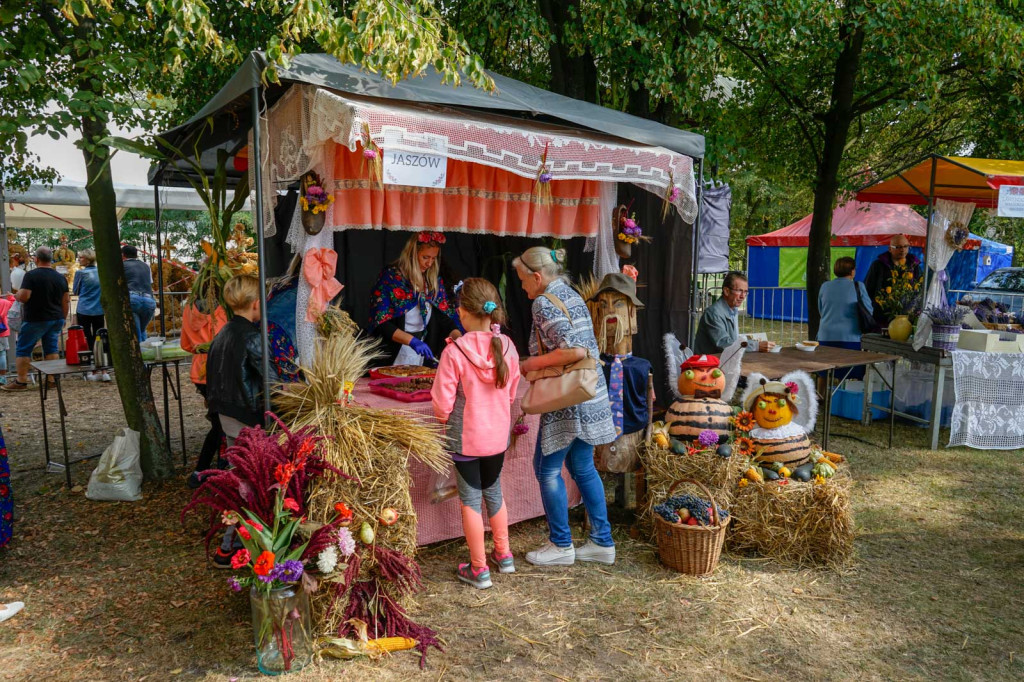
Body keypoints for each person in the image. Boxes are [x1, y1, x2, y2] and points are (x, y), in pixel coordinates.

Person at [513, 246, 617, 567]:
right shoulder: (569, 293)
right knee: (582, 466)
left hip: (569, 399)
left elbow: (572, 349)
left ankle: (560, 544)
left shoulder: (544, 302)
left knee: (546, 470)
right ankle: (602, 541)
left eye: (522, 280)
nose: (522, 287)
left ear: (537, 276)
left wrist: (531, 364)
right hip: (589, 391)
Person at [431, 278, 521, 589]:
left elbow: (442, 403)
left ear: (464, 313)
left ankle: (479, 569)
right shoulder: (507, 346)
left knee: (470, 500)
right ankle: (504, 555)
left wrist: (442, 420)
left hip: (465, 438)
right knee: (494, 493)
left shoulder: (454, 351)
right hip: (497, 437)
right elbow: (510, 394)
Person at [205, 275, 264, 569]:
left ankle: (237, 544)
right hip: (246, 417)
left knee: (238, 476)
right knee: (247, 481)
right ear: (256, 304)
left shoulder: (223, 332)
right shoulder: (252, 337)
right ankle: (230, 547)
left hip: (226, 415)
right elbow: (271, 378)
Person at [368, 232, 461, 366]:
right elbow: (381, 321)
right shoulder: (392, 277)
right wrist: (412, 341)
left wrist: (458, 338)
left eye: (434, 258)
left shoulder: (432, 281)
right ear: (412, 254)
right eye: (425, 257)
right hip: (392, 352)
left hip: (422, 354)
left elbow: (444, 318)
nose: (429, 263)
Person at [3, 247, 68, 392]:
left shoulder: (31, 275)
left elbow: (25, 296)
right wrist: (62, 318)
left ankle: (21, 381)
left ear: (36, 259)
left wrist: (16, 295)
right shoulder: (60, 277)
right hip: (56, 317)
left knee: (23, 349)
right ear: (51, 259)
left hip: (36, 318)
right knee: (51, 348)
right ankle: (51, 380)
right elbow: (66, 300)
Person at [180, 299, 228, 489]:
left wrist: (200, 346)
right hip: (221, 371)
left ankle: (210, 469)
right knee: (220, 424)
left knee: (219, 422)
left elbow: (186, 344)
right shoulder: (226, 308)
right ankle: (203, 471)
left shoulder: (189, 308)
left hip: (200, 372)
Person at [818, 257, 874, 380]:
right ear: (852, 271)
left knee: (825, 373)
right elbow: (869, 309)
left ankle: (823, 398)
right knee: (850, 374)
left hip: (825, 336)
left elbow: (821, 310)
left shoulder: (825, 286)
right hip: (850, 337)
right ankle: (844, 397)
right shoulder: (858, 286)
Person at [693, 272, 774, 355]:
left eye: (745, 292)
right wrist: (755, 346)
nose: (743, 296)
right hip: (707, 365)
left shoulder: (733, 309)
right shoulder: (713, 313)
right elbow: (724, 344)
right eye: (739, 291)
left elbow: (733, 340)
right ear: (726, 291)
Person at [864, 234, 923, 327]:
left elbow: (920, 290)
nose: (902, 250)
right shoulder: (878, 265)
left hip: (907, 317)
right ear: (890, 249)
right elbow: (868, 289)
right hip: (882, 318)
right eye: (898, 247)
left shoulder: (914, 266)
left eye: (905, 246)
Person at [72, 249, 108, 382]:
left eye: (81, 257)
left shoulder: (80, 273)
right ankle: (103, 369)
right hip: (99, 309)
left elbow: (75, 291)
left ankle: (91, 369)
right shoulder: (102, 272)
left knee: (87, 338)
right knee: (100, 337)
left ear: (87, 259)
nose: (79, 259)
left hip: (84, 309)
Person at [121, 244, 156, 342]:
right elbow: (150, 283)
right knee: (141, 330)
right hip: (149, 301)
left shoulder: (122, 265)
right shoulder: (146, 265)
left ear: (123, 255)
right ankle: (146, 353)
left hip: (133, 299)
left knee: (135, 332)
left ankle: (139, 354)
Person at [0, 294, 12, 385]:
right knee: (2, 353)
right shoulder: (4, 302)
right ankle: (2, 377)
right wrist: (11, 297)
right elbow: (13, 304)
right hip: (2, 331)